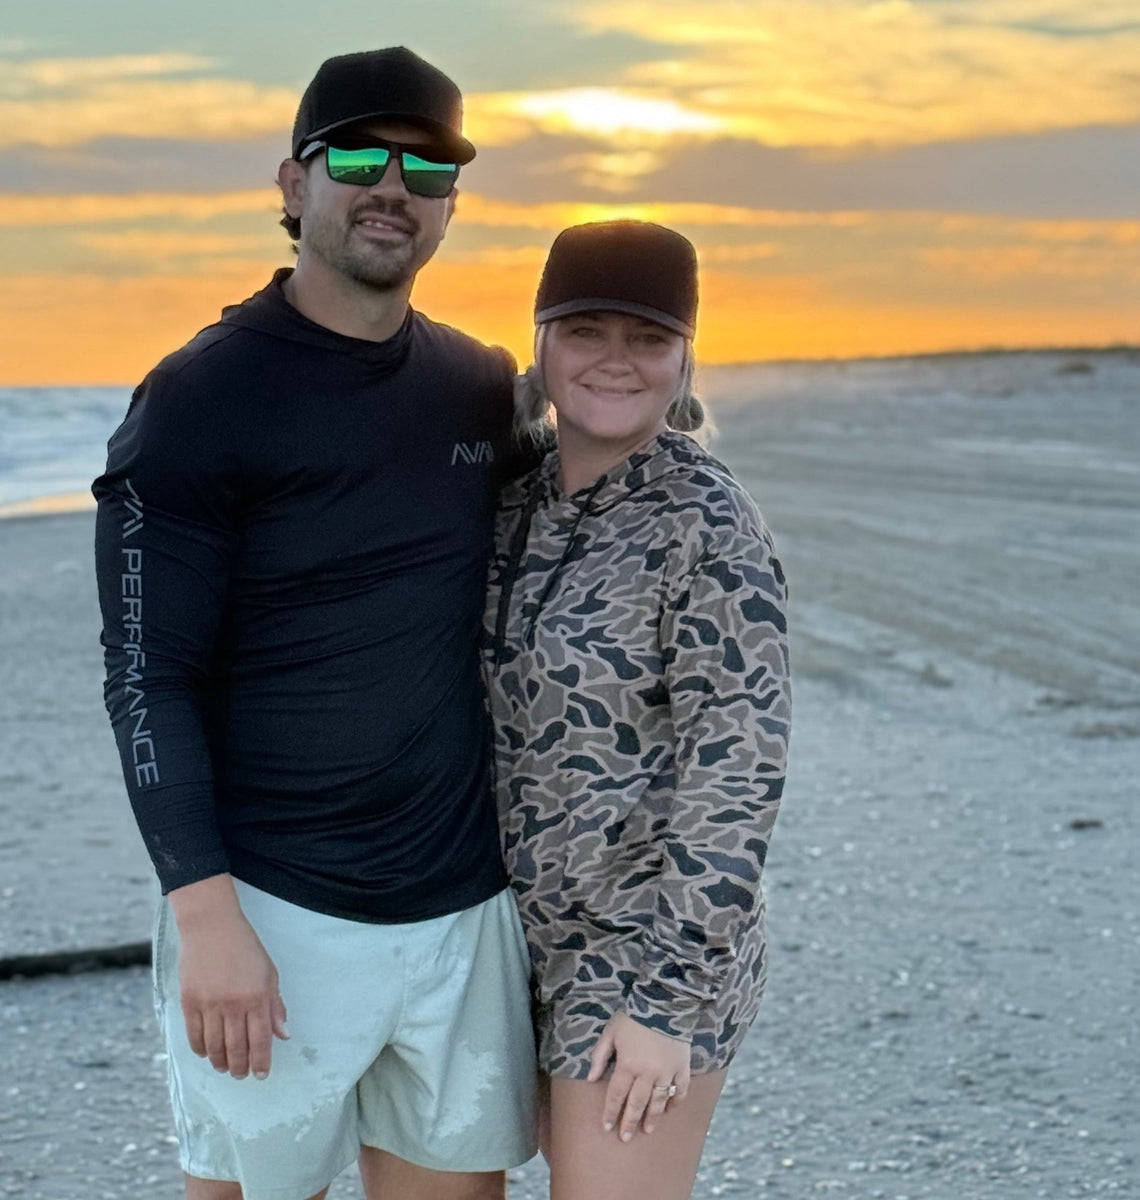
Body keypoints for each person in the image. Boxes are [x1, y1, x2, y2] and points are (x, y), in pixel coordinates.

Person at [93, 46, 538, 1200]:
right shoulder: (199, 399)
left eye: (428, 164)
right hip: (275, 918)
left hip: (461, 911)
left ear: (450, 204)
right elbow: (148, 676)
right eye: (357, 154)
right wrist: (206, 917)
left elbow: (605, 444)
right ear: (294, 185)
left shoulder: (477, 387)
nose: (393, 184)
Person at [484, 221, 792, 1198]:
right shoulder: (504, 502)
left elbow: (735, 781)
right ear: (541, 341)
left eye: (648, 338)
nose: (615, 361)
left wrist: (665, 1006)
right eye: (586, 330)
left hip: (643, 951)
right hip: (497, 942)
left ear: (684, 357)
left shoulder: (710, 530)